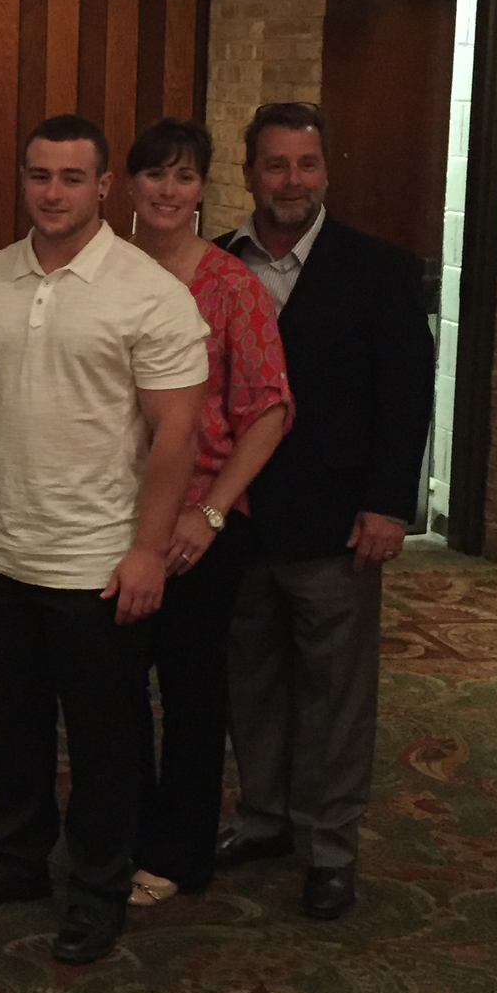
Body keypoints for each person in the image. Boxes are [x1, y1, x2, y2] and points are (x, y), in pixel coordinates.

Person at [0, 114, 206, 963]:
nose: (53, 193)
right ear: (24, 180)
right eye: (39, 176)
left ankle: (96, 884)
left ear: (101, 187)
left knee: (103, 737)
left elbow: (177, 433)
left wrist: (149, 550)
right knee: (11, 724)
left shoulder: (150, 292)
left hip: (96, 561)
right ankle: (16, 859)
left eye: (71, 178)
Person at [211, 102, 434, 920]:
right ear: (248, 175)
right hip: (235, 523)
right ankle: (266, 819)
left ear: (326, 172)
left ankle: (331, 845)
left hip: (340, 525)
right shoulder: (216, 263)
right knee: (252, 684)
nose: (292, 181)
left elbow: (405, 398)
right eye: (276, 165)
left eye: (306, 164)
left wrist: (388, 506)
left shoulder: (379, 268)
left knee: (336, 695)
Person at [122, 117, 292, 907]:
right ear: (128, 184)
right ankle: (115, 834)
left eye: (184, 176)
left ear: (202, 189)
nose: (168, 190)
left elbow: (268, 410)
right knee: (112, 693)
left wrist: (213, 514)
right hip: (109, 523)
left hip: (198, 528)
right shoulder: (105, 274)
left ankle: (178, 850)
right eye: (155, 174)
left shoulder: (231, 287)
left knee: (190, 695)